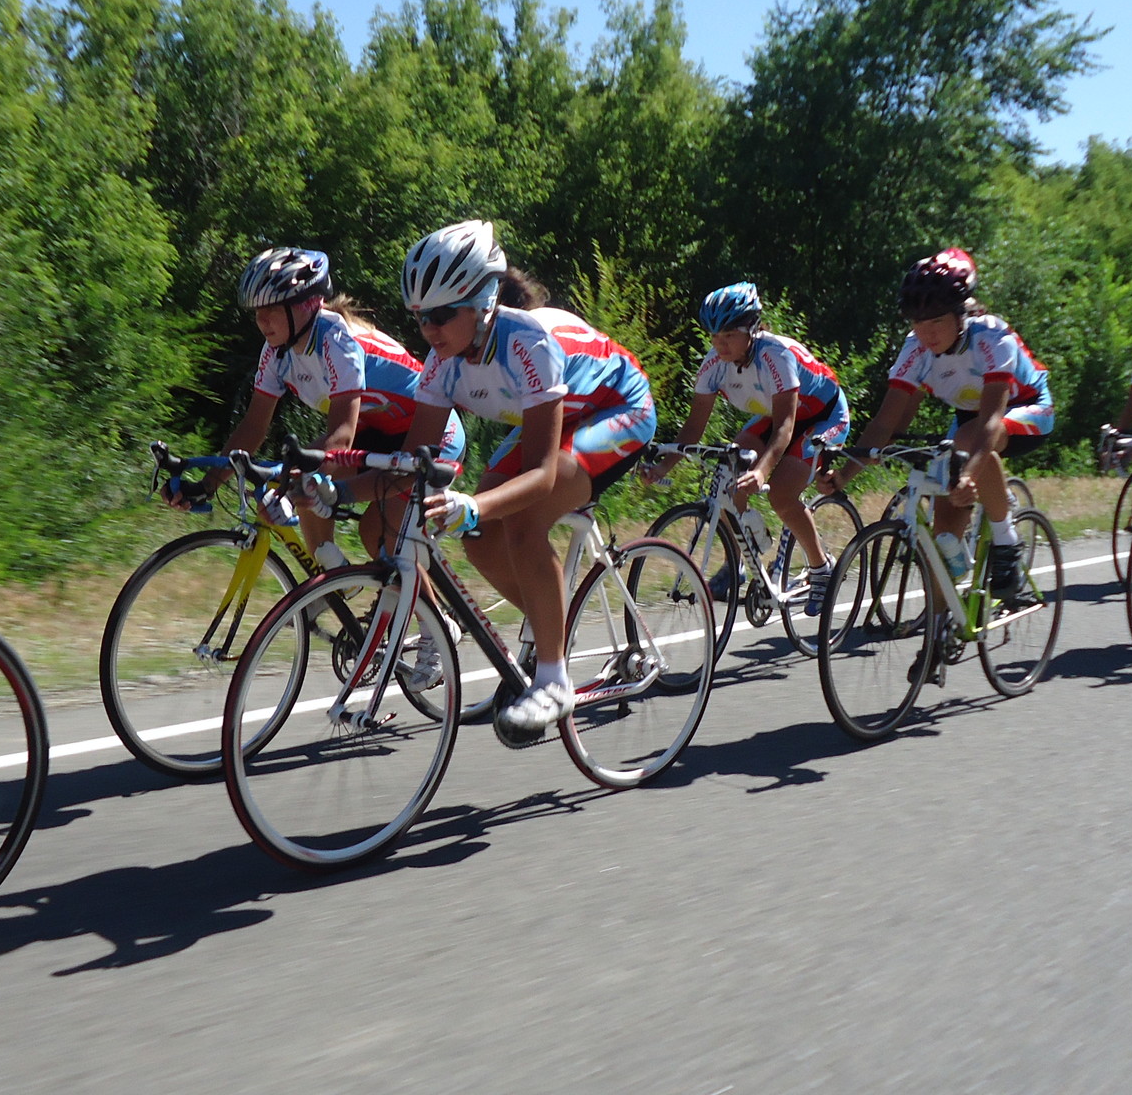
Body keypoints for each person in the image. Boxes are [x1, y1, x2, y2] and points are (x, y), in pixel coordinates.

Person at [395, 220, 656, 745]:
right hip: (555, 416)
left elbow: (539, 476)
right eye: (420, 317)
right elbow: (412, 460)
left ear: (482, 303)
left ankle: (554, 681)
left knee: (520, 521)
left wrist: (472, 504)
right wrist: (333, 486)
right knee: (477, 535)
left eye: (441, 315)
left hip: (616, 408)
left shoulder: (528, 343)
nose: (429, 329)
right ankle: (547, 621)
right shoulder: (442, 362)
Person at [168, 247, 462, 557]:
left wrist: (287, 492)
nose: (262, 320)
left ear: (306, 305)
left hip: (431, 434)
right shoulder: (276, 351)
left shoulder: (338, 341)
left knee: (377, 534)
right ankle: (334, 579)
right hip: (376, 434)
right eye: (257, 311)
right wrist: (206, 486)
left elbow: (341, 437)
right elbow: (253, 427)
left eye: (272, 308)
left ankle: (415, 589)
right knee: (308, 490)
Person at [816, 248, 1053, 597]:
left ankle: (1007, 543)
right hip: (970, 421)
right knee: (942, 539)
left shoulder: (991, 337)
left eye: (937, 321)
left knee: (967, 443)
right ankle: (941, 625)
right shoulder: (915, 349)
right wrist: (844, 474)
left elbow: (990, 421)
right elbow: (886, 424)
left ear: (961, 314)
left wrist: (969, 475)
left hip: (1025, 407)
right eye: (917, 322)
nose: (927, 334)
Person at [638, 282, 849, 617]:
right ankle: (734, 564)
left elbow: (785, 427)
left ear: (752, 329)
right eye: (714, 336)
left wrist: (762, 471)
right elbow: (693, 427)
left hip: (823, 416)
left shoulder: (776, 355)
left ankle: (821, 567)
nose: (720, 344)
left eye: (729, 335)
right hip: (773, 416)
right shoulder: (714, 364)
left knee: (781, 494)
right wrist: (664, 466)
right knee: (727, 478)